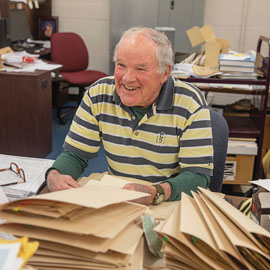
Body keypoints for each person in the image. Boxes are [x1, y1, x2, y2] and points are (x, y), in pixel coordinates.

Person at [45, 27, 213, 205]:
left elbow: (198, 177)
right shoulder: (98, 94)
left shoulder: (190, 103)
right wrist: (55, 175)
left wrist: (156, 192)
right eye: (121, 65)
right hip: (119, 200)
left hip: (169, 201)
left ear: (165, 72)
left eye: (140, 69)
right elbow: (75, 155)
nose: (127, 78)